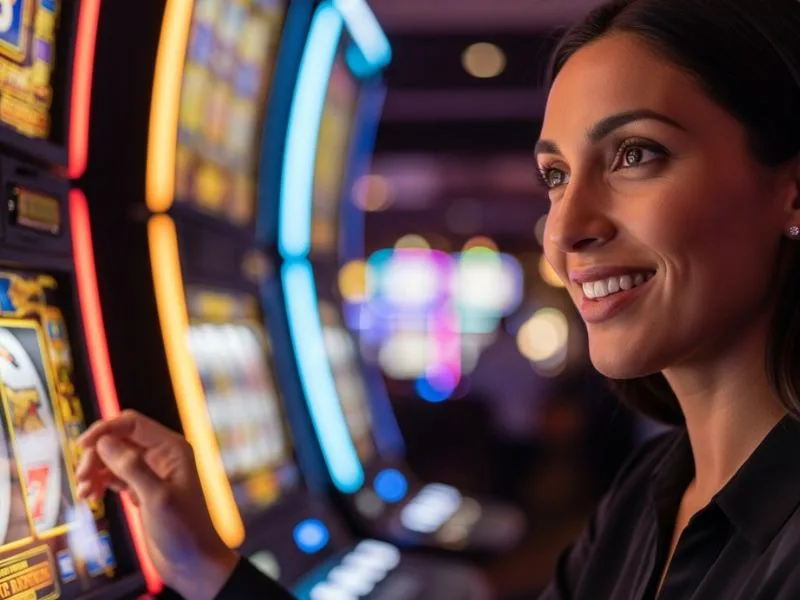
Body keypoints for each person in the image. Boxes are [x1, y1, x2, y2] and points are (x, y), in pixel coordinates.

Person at [76, 0, 800, 598]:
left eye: (637, 154)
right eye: (555, 176)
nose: (566, 228)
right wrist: (211, 569)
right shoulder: (653, 490)